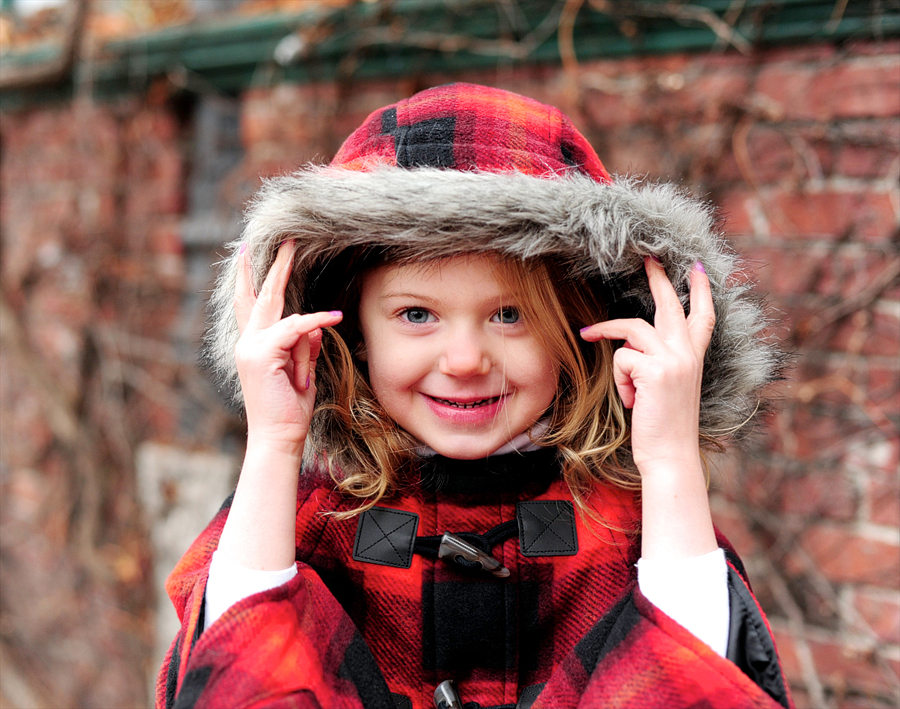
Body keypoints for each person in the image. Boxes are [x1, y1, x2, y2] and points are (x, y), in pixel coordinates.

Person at [157, 83, 793, 709]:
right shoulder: (304, 518)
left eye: (510, 314)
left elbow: (701, 684)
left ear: (580, 326)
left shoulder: (632, 523)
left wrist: (670, 458)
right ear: (350, 331)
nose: (464, 361)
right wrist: (272, 443)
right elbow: (232, 678)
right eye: (415, 315)